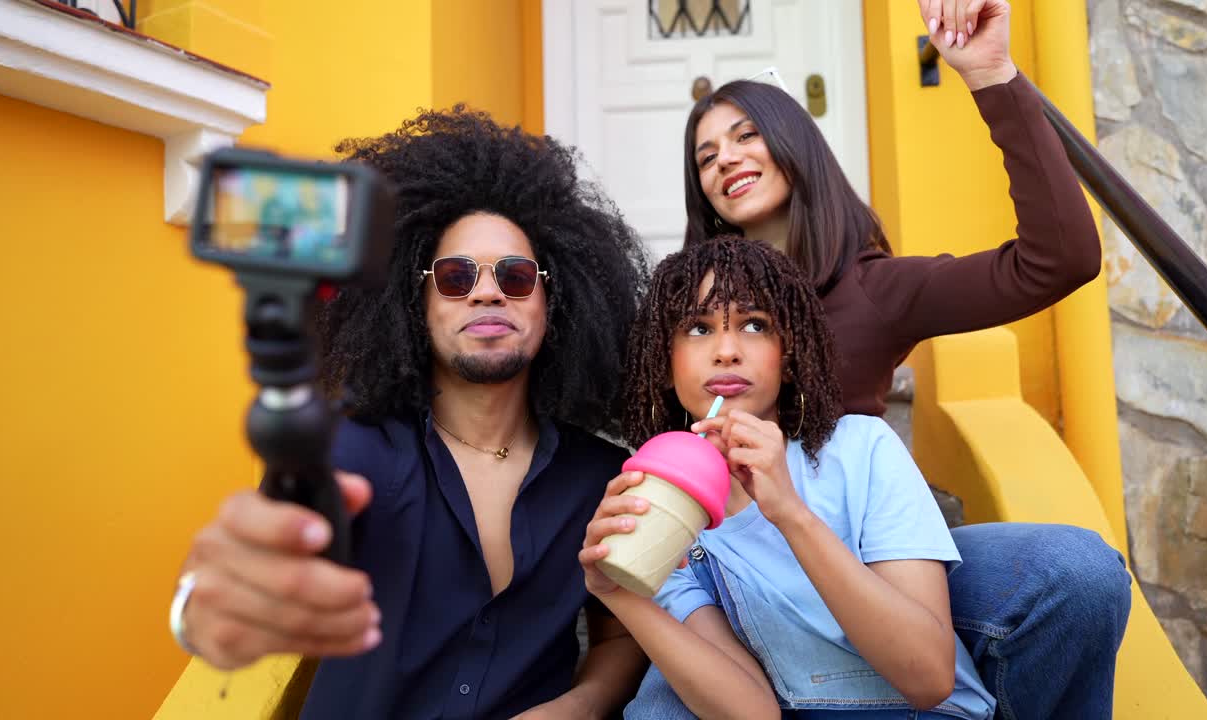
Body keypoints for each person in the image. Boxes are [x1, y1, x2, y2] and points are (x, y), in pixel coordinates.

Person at [672, 1, 1132, 718]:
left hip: (869, 548)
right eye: (705, 155)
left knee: (1077, 573)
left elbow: (1061, 260)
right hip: (733, 569)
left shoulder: (877, 290)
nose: (725, 157)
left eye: (745, 135)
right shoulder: (684, 317)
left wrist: (991, 75)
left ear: (796, 144)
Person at [170, 107, 651, 719]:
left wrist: (581, 705)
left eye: (517, 275)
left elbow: (617, 633)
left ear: (554, 301)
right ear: (414, 303)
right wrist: (207, 602)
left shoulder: (600, 478)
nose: (487, 291)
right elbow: (260, 575)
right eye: (454, 277)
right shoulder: (347, 452)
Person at [582, 236, 996, 719]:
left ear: (789, 353)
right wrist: (619, 595)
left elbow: (928, 677)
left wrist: (789, 513)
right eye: (698, 327)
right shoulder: (660, 500)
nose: (727, 350)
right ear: (665, 361)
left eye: (754, 325)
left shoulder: (862, 450)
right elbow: (753, 713)